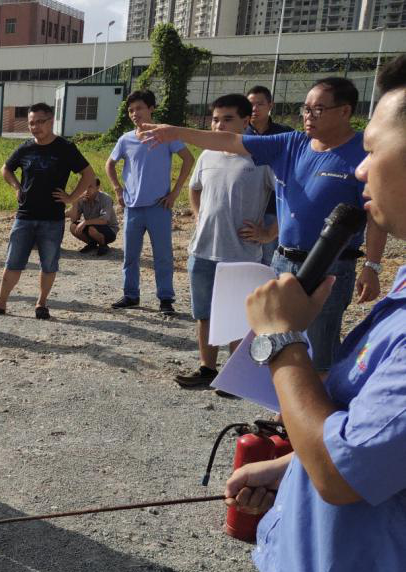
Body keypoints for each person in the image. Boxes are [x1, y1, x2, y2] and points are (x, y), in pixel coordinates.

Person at [222, 53, 406, 572]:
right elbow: (367, 438)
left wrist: (278, 341)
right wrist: (285, 461)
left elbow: (343, 472)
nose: (359, 167)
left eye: (375, 149)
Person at [140, 75, 387, 373]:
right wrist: (173, 133)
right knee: (280, 343)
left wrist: (372, 267)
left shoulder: (363, 156)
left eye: (318, 109)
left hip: (332, 267)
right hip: (284, 262)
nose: (308, 116)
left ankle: (320, 415)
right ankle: (284, 414)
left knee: (320, 349)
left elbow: (376, 215)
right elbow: (230, 141)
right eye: (305, 109)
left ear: (345, 111)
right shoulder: (292, 144)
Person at [173, 94, 276, 390]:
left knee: (238, 316)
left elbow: (286, 199)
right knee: (204, 313)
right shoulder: (207, 155)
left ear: (247, 120)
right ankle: (207, 369)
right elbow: (195, 189)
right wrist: (198, 214)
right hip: (203, 249)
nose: (219, 125)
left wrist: (269, 233)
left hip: (241, 252)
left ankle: (236, 376)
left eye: (227, 118)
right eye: (215, 119)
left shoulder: (260, 157)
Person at [0, 103, 95, 320]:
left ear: (51, 121)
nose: (35, 127)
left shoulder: (65, 148)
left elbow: (88, 174)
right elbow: (6, 169)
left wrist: (71, 198)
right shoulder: (25, 148)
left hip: (52, 218)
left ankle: (41, 303)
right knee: (13, 261)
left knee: (49, 263)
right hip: (25, 215)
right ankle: (0, 302)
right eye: (31, 123)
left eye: (40, 122)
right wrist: (16, 186)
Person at [106, 89, 195, 314]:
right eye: (131, 110)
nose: (135, 113)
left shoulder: (164, 135)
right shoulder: (125, 139)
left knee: (163, 256)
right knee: (130, 256)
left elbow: (188, 159)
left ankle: (166, 299)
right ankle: (130, 295)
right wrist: (117, 189)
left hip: (159, 206)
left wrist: (175, 193)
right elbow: (110, 164)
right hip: (133, 207)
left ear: (151, 108)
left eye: (140, 108)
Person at [247, 85, 293, 264]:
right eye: (250, 104)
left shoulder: (285, 134)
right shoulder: (240, 134)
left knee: (270, 256)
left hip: (273, 206)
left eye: (260, 104)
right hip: (247, 205)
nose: (254, 109)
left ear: (270, 105)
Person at [68, 178, 117, 256]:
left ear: (97, 188)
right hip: (91, 226)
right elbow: (74, 219)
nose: (86, 189)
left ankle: (103, 245)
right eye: (84, 186)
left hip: (109, 230)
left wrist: (85, 222)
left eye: (90, 186)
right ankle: (92, 244)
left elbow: (105, 220)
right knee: (73, 227)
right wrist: (75, 202)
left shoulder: (106, 198)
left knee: (92, 229)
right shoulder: (81, 199)